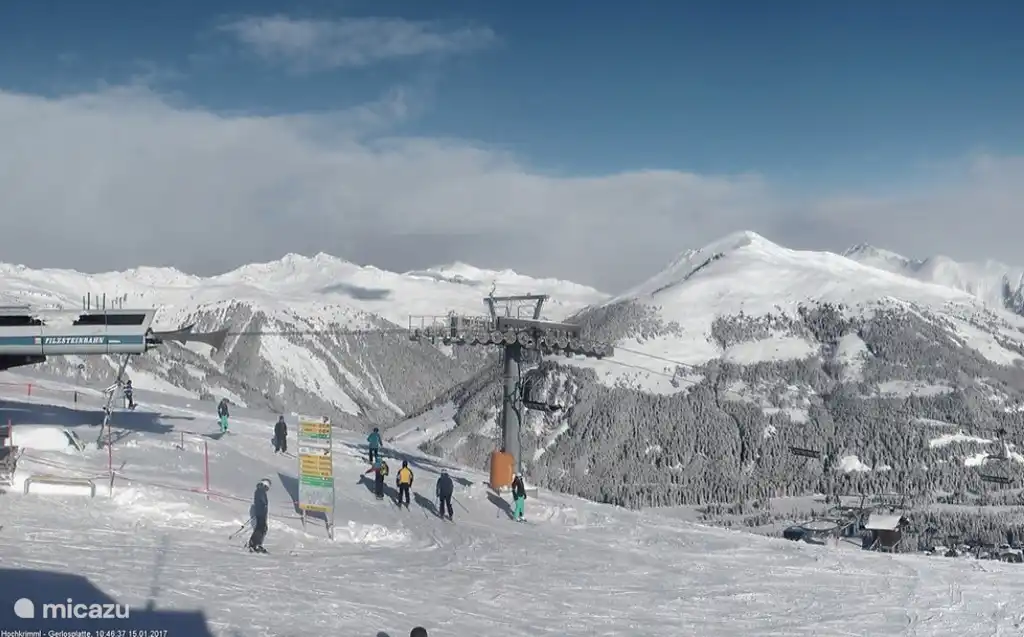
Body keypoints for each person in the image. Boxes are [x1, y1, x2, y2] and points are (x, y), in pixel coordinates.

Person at [247, 478, 271, 552]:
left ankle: (253, 543)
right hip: (261, 513)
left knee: (260, 528)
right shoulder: (261, 491)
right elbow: (263, 501)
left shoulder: (259, 490)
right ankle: (256, 544)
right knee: (261, 529)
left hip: (260, 512)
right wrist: (264, 505)